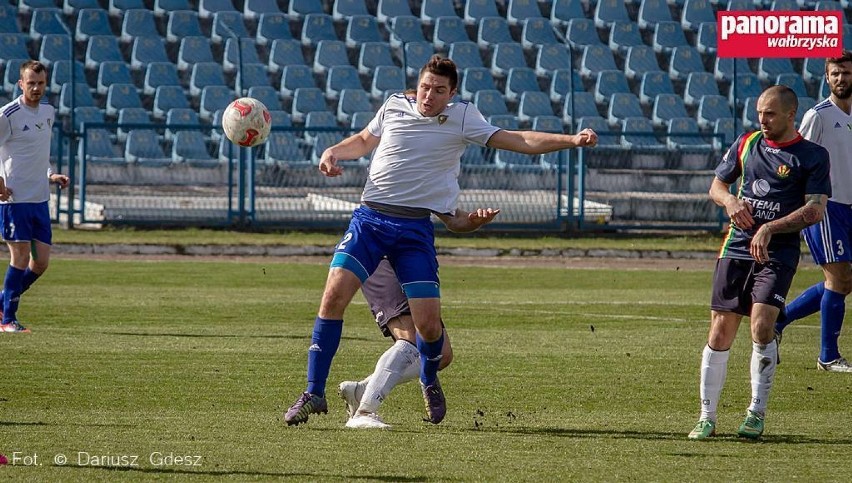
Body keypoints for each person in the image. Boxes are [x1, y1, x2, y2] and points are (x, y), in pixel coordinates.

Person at [283, 54, 598, 426]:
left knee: (429, 328)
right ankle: (313, 392)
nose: (428, 96)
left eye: (438, 90)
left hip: (414, 230)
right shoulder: (394, 105)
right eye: (424, 87)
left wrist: (571, 140)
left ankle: (428, 379)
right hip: (369, 219)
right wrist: (333, 151)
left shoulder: (463, 117)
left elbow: (519, 139)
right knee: (332, 297)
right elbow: (365, 140)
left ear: (452, 94)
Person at [688, 85, 831, 441]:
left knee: (761, 326)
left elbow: (815, 209)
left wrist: (770, 227)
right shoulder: (747, 143)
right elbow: (717, 187)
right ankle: (706, 416)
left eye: (769, 114)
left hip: (777, 251)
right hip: (735, 247)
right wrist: (730, 204)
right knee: (720, 329)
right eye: (759, 113)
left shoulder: (812, 155)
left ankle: (756, 412)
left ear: (789, 114)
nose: (762, 120)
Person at [340, 207, 500, 430]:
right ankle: (365, 410)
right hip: (381, 255)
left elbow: (451, 217)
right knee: (411, 339)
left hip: (410, 259)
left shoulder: (430, 178)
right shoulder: (398, 175)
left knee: (441, 354)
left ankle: (361, 391)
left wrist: (473, 220)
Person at [774, 51, 852, 373]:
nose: (841, 78)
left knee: (844, 282)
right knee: (839, 278)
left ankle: (780, 319)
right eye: (835, 73)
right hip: (824, 206)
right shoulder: (818, 116)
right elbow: (797, 159)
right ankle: (828, 356)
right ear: (826, 77)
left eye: (846, 73)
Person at [0, 60, 69, 333]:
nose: (36, 88)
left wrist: (51, 174)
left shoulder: (48, 112)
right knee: (18, 259)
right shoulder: (8, 114)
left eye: (40, 83)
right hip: (15, 200)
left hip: (39, 198)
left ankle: (2, 304)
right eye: (31, 83)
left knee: (40, 263)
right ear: (21, 83)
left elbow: (40, 153)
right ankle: (7, 320)